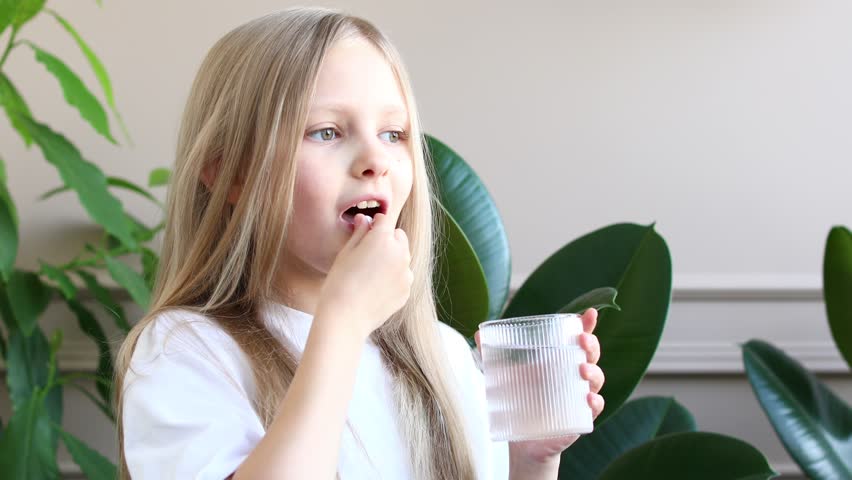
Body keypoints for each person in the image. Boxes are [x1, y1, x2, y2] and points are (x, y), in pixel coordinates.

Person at [114, 6, 605, 480]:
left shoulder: (446, 358)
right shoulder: (184, 352)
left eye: (394, 133)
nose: (376, 159)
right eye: (326, 132)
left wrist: (531, 462)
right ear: (232, 173)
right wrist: (343, 320)